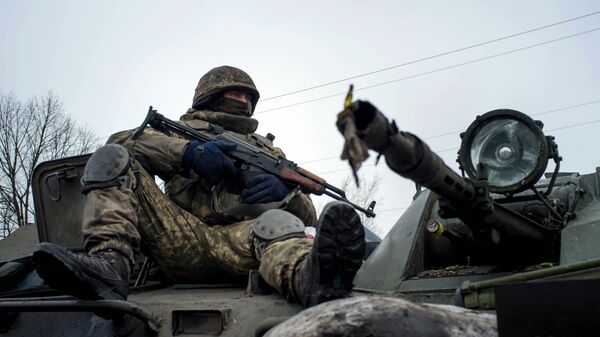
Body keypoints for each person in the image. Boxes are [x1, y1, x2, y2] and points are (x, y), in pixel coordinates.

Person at [31, 66, 366, 307]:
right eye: (235, 92)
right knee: (113, 156)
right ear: (211, 96)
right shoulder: (180, 131)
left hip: (243, 240)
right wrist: (188, 153)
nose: (243, 99)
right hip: (177, 236)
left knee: (278, 225)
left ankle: (309, 279)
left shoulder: (271, 152)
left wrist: (286, 193)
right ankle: (109, 265)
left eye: (248, 94)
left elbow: (307, 215)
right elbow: (122, 143)